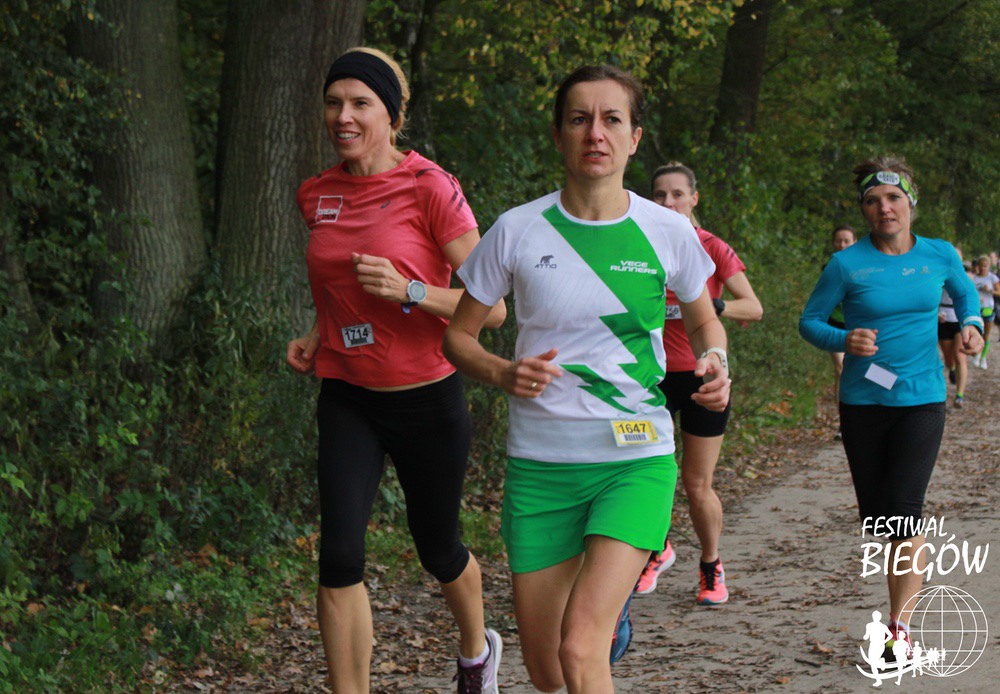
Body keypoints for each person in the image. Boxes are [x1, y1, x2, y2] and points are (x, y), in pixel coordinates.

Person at [443, 65, 730, 693]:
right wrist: (503, 371)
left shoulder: (669, 231)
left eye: (611, 120)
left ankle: (602, 611)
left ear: (634, 138)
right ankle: (601, 611)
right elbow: (457, 338)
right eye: (579, 119)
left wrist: (716, 360)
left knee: (579, 649)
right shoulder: (517, 229)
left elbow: (706, 321)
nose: (595, 133)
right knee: (548, 672)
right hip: (541, 468)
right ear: (558, 135)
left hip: (635, 460)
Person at [285, 47, 507, 693]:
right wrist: (316, 333)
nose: (343, 117)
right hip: (347, 395)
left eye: (360, 103)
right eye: (334, 103)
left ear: (392, 114)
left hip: (426, 397)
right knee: (339, 557)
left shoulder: (429, 187)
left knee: (437, 547)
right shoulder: (316, 193)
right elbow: (337, 285)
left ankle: (476, 651)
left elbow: (491, 309)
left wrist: (410, 291)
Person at [799, 156, 982, 655]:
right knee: (882, 521)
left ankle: (899, 629)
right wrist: (844, 338)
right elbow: (810, 322)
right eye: (873, 201)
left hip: (923, 399)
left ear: (911, 203)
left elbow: (967, 299)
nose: (884, 208)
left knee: (904, 513)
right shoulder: (846, 264)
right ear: (864, 209)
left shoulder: (940, 254)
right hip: (863, 402)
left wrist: (972, 327)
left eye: (894, 198)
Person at [635, 163, 763, 603]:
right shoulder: (638, 244)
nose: (668, 203)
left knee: (696, 484)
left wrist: (710, 306)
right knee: (644, 477)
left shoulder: (711, 247)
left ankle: (711, 565)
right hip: (649, 378)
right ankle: (657, 549)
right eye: (659, 195)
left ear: (694, 198)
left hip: (701, 376)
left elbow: (753, 307)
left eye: (677, 194)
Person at [827, 225, 857, 437]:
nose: (842, 245)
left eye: (847, 241)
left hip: (859, 325)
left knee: (870, 370)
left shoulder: (865, 265)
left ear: (854, 242)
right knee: (841, 369)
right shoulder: (830, 267)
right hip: (835, 325)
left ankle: (884, 406)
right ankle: (843, 423)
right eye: (838, 241)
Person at [971, 255, 999, 369]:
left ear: (989, 266)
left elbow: (999, 292)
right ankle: (977, 354)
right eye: (981, 266)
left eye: (985, 266)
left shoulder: (992, 278)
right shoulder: (973, 278)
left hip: (988, 309)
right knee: (977, 333)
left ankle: (983, 358)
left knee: (986, 334)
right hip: (976, 309)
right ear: (977, 266)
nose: (983, 268)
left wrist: (990, 290)